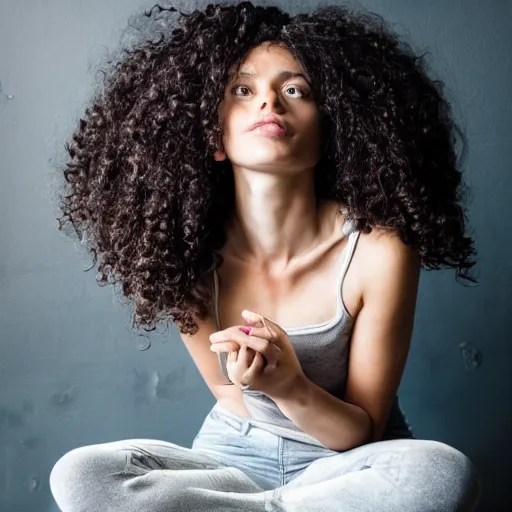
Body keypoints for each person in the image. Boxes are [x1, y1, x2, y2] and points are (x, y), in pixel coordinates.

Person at [49, 1, 482, 510]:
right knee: (81, 474)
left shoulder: (378, 248)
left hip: (349, 462)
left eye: (295, 90)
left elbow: (363, 428)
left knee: (442, 472)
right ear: (214, 136)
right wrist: (254, 390)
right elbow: (231, 399)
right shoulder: (180, 251)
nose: (269, 103)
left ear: (331, 129)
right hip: (232, 464)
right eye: (243, 89)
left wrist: (289, 386)